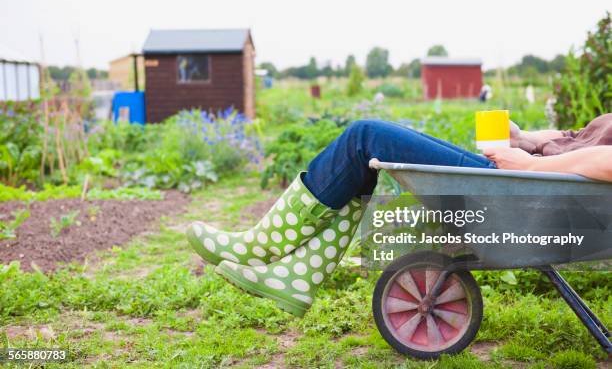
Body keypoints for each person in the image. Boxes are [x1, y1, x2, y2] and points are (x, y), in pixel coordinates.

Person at [187, 113, 612, 317]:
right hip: (527, 180)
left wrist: (530, 165)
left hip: (529, 189)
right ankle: (298, 274)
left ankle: (266, 246)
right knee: (365, 146)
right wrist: (525, 139)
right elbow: (578, 139)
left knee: (364, 136)